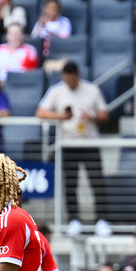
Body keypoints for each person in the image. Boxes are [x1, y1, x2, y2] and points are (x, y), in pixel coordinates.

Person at [36, 60, 111, 236]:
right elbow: (40, 112)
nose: (70, 83)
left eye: (72, 79)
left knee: (97, 182)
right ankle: (73, 219)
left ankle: (102, 219)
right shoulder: (56, 90)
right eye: (67, 79)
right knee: (70, 184)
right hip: (68, 144)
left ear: (78, 76)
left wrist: (92, 117)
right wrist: (60, 116)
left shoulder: (91, 89)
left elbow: (105, 113)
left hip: (89, 142)